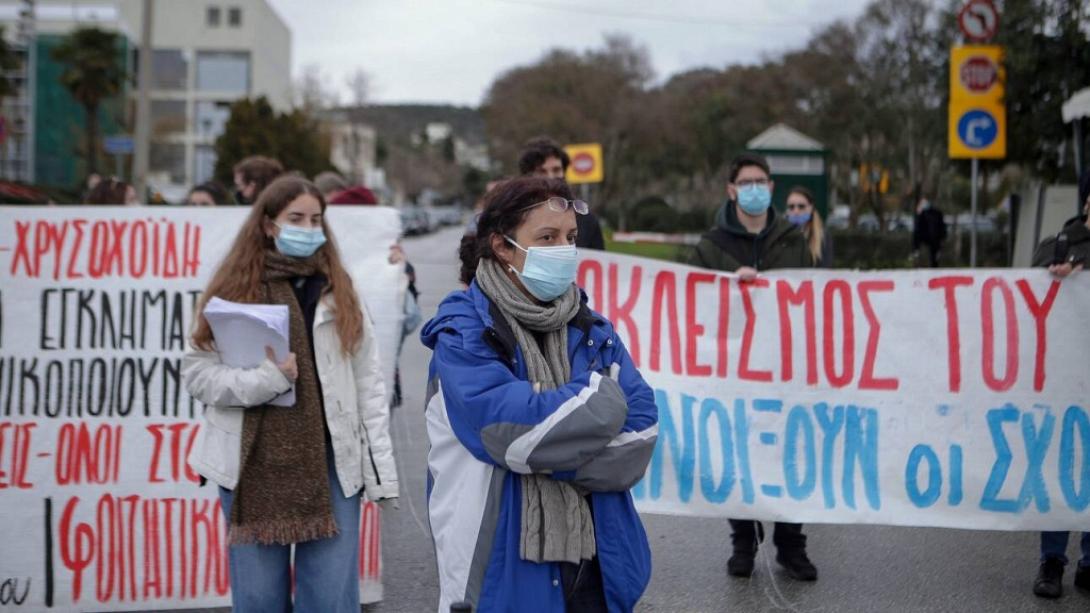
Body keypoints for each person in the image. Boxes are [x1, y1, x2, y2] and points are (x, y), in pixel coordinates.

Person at [421, 176, 658, 612]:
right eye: (546, 238)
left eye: (570, 237)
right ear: (503, 246)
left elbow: (640, 436)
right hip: (502, 570)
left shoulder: (592, 329)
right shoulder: (462, 334)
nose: (564, 250)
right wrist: (597, 404)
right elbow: (510, 434)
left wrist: (549, 451)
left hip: (596, 563)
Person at [183, 176, 399, 612]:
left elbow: (368, 386)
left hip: (334, 465)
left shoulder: (340, 291)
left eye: (316, 219)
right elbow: (199, 376)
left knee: (329, 599)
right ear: (267, 224)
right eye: (295, 218)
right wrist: (269, 379)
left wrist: (380, 472)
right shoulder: (233, 290)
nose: (309, 227)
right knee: (259, 600)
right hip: (251, 466)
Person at [686, 153, 817, 581]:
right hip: (732, 371)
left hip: (785, 368)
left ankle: (791, 545)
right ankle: (744, 542)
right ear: (732, 190)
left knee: (789, 451)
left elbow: (814, 295)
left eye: (762, 181)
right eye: (747, 181)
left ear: (772, 187)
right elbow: (694, 303)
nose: (755, 188)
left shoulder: (792, 240)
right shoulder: (710, 247)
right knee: (736, 454)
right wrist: (728, 287)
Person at [1029, 170, 1090, 600]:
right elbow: (1029, 288)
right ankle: (1052, 560)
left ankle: (1089, 562)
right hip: (1065, 380)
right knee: (1061, 467)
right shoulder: (1062, 242)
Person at [518, 137, 606, 251]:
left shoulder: (586, 220)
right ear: (527, 176)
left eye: (556, 170)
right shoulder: (516, 218)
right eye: (541, 171)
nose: (550, 177)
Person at [785, 186, 833, 267]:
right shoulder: (779, 234)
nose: (796, 211)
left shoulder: (822, 236)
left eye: (801, 206)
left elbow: (826, 268)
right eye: (791, 207)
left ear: (811, 208)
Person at [912, 196, 947, 267]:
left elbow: (941, 226)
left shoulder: (936, 213)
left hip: (934, 239)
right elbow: (917, 229)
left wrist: (942, 237)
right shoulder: (920, 214)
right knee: (923, 256)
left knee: (934, 258)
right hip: (924, 239)